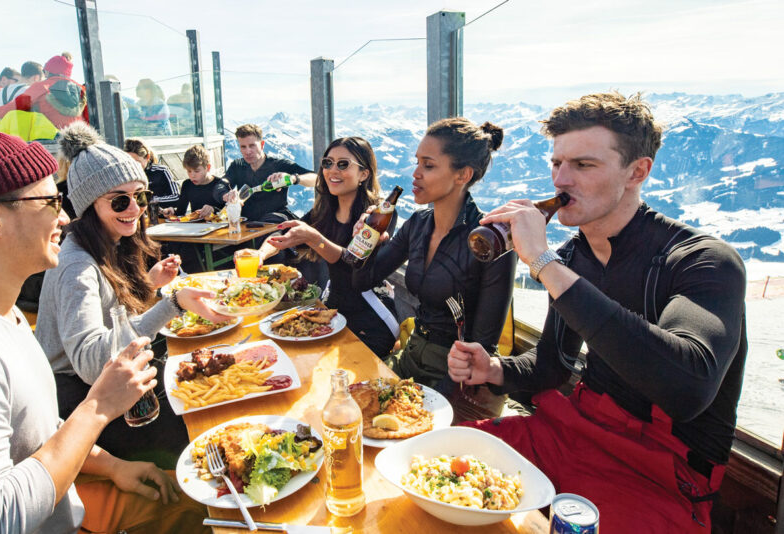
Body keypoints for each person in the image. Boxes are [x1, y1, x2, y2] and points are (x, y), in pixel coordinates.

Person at [0, 131, 207, 534]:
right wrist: (97, 409)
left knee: (199, 499)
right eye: (51, 202)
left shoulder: (0, 318)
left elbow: (36, 432)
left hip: (69, 506)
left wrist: (112, 466)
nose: (64, 218)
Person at [448, 92, 747, 533]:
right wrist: (492, 368)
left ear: (637, 171)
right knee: (436, 466)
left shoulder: (702, 261)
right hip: (570, 433)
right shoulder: (573, 258)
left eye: (583, 166)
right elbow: (551, 367)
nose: (561, 180)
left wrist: (542, 263)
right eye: (557, 164)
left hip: (657, 475)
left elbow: (687, 389)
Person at [36, 122, 230, 464]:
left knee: (213, 389)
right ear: (89, 205)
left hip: (118, 384)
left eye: (140, 196)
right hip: (83, 404)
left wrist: (151, 284)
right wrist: (171, 303)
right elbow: (92, 363)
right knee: (203, 430)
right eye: (120, 200)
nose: (135, 209)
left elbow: (116, 316)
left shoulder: (112, 242)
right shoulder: (76, 266)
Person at [352, 118, 516, 418]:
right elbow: (363, 280)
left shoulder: (490, 242)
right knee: (344, 406)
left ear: (462, 175)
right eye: (417, 163)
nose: (415, 174)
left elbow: (482, 345)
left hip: (460, 380)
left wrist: (421, 407)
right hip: (412, 356)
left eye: (428, 165)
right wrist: (366, 244)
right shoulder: (418, 224)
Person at [259, 137, 400, 358]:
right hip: (332, 309)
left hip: (371, 318)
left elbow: (353, 265)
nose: (332, 170)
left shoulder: (377, 215)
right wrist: (259, 255)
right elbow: (285, 232)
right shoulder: (323, 211)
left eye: (343, 164)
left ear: (364, 174)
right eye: (328, 163)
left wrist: (315, 239)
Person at [222, 123, 317, 223]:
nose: (248, 151)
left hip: (276, 222)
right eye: (243, 147)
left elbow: (316, 179)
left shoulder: (279, 165)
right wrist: (225, 194)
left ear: (262, 145)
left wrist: (293, 178)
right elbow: (222, 184)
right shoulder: (237, 166)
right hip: (247, 225)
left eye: (252, 146)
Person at [0, 54, 87, 129]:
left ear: (47, 72)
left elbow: (15, 107)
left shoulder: (42, 87)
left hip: (55, 140)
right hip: (81, 137)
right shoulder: (82, 89)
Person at [167, 145, 229, 218]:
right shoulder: (187, 185)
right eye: (189, 171)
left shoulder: (221, 184)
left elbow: (231, 212)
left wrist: (214, 210)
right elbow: (180, 213)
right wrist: (171, 212)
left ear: (208, 168)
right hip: (195, 227)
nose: (192, 175)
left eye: (197, 171)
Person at [123, 138, 180, 210]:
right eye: (129, 162)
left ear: (147, 157)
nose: (133, 166)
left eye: (137, 162)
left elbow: (176, 197)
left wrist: (150, 200)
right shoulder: (124, 174)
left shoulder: (161, 171)